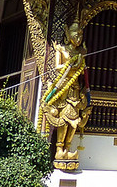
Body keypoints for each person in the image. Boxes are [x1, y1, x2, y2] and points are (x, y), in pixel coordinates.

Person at [41, 22, 91, 171]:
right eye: (76, 34)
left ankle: (68, 148)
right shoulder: (61, 49)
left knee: (74, 121)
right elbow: (58, 67)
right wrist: (71, 65)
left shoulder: (81, 52)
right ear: (68, 35)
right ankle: (59, 149)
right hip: (64, 89)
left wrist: (79, 66)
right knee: (63, 120)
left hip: (75, 89)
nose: (79, 38)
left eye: (81, 35)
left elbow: (82, 72)